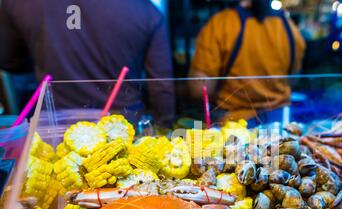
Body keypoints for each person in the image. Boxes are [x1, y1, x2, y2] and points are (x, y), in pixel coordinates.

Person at [0, 0, 175, 127]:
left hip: (54, 128)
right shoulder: (145, 10)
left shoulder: (19, 3)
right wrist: (165, 128)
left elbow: (8, 60)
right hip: (122, 127)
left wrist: (44, 54)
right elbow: (161, 86)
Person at [189, 0, 306, 123]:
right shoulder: (290, 28)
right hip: (279, 123)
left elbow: (199, 89)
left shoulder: (221, 24)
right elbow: (293, 79)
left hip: (235, 125)